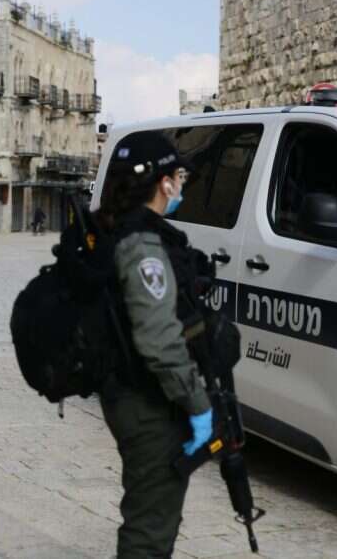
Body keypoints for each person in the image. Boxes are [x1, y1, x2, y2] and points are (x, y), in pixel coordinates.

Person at [94, 133, 213, 558]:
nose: (181, 185)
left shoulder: (114, 227)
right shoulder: (142, 244)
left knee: (152, 513)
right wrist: (199, 405)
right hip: (145, 400)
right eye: (178, 176)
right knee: (150, 528)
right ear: (164, 183)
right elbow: (159, 340)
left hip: (126, 391)